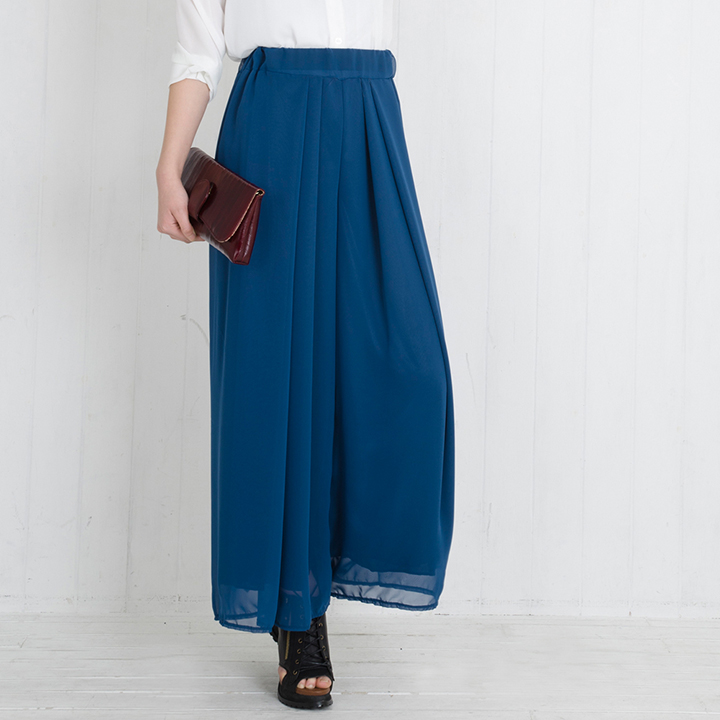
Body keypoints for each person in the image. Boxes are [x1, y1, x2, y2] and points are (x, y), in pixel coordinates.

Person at [155, 0, 455, 710]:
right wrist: (170, 166)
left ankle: (339, 561)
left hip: (370, 115)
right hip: (273, 124)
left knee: (410, 368)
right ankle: (298, 613)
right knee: (278, 372)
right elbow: (197, 51)